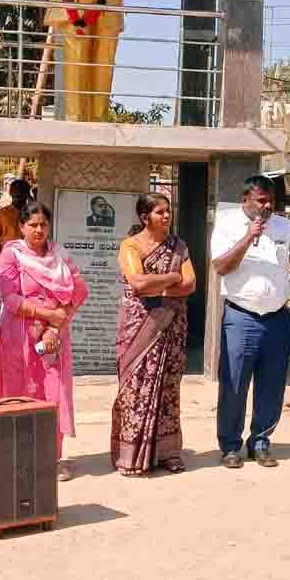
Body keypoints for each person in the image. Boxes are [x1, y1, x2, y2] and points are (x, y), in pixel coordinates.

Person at [211, 175, 290, 469]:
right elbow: (220, 267)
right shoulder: (228, 224)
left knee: (271, 386)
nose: (268, 205)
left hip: (277, 319)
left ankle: (260, 442)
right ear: (246, 198)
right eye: (261, 200)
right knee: (234, 384)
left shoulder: (284, 226)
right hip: (241, 316)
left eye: (271, 200)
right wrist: (249, 236)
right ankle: (230, 446)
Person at [0, 202, 89, 480]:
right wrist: (48, 314)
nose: (38, 229)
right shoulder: (11, 254)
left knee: (53, 392)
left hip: (54, 337)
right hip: (20, 337)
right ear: (22, 227)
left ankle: (52, 458)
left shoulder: (59, 255)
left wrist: (57, 325)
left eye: (43, 225)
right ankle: (17, 458)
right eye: (32, 225)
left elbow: (79, 291)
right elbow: (10, 298)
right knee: (21, 392)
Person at [110, 194, 194, 476]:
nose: (167, 216)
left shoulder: (178, 246)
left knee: (168, 389)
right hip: (139, 326)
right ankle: (131, 454)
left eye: (168, 210)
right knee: (137, 388)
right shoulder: (130, 246)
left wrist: (158, 285)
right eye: (160, 212)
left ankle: (167, 452)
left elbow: (190, 283)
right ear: (145, 217)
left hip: (172, 324)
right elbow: (138, 282)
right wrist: (171, 278)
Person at [0, 179, 32, 256]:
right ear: (11, 193)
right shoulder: (2, 213)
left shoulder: (32, 214)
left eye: (21, 192)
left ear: (27, 194)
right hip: (8, 259)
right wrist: (1, 257)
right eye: (16, 193)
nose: (18, 196)